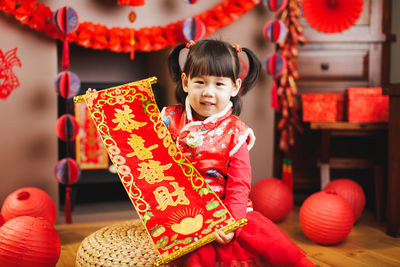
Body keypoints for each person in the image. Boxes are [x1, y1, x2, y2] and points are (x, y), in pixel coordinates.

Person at [161, 39, 315, 267]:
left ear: (235, 87)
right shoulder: (169, 118)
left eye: (219, 84)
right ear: (185, 82)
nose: (208, 93)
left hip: (222, 210)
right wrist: (101, 104)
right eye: (200, 82)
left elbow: (238, 185)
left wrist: (231, 224)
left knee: (269, 247)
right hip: (178, 208)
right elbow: (138, 144)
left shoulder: (236, 133)